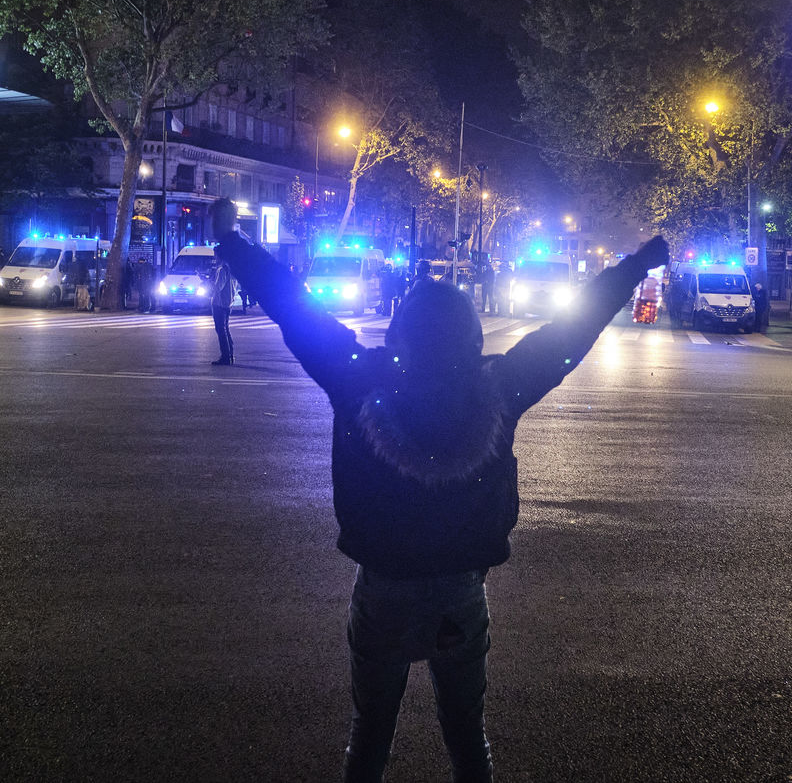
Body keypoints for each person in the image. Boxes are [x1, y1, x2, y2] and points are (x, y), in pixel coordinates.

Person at [209, 197, 668, 783]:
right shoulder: (499, 387)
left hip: (383, 583)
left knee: (370, 736)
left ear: (401, 330)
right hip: (459, 587)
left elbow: (293, 307)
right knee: (466, 736)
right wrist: (635, 266)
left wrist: (233, 243)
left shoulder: (357, 377)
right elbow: (573, 329)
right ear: (470, 336)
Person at [210, 258, 235, 366]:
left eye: (216, 256)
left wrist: (209, 282)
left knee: (221, 330)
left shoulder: (222, 270)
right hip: (228, 303)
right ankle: (230, 355)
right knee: (225, 329)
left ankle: (225, 357)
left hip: (219, 303)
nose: (215, 258)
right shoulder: (232, 269)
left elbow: (217, 287)